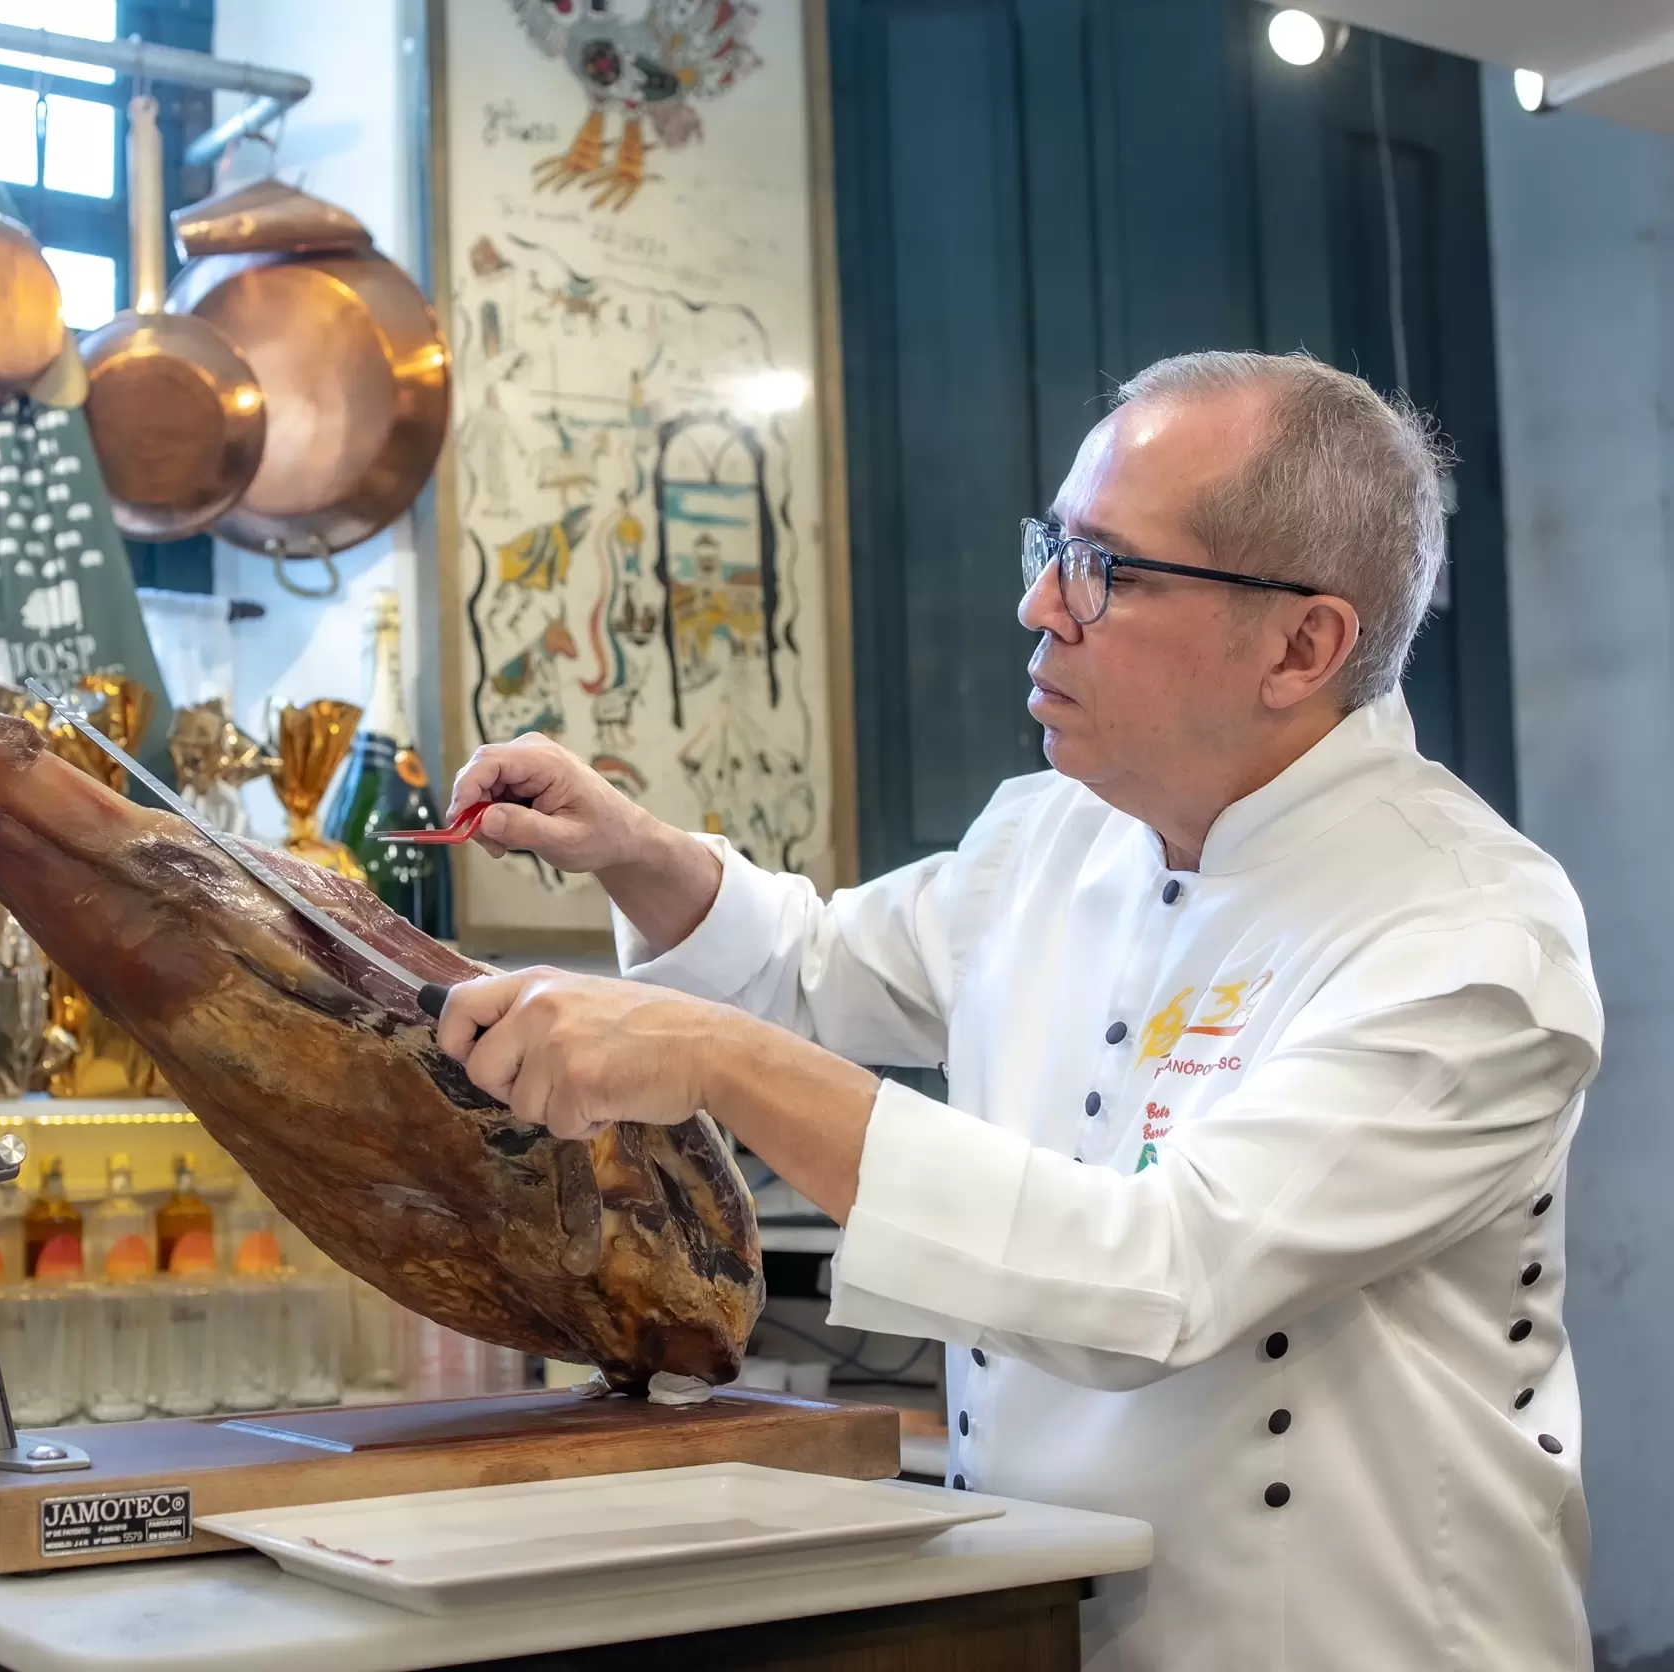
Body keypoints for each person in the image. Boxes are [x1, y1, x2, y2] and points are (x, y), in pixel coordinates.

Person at [436, 351, 1597, 1671]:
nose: (1039, 603)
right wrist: (637, 849)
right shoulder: (1059, 832)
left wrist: (716, 1059)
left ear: (1301, 645)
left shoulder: (1465, 944)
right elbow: (814, 969)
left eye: (1106, 567)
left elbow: (1161, 1274)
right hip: (1047, 1615)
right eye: (1053, 543)